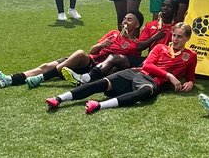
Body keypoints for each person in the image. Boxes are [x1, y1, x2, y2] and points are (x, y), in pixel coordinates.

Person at [45, 23, 197, 113]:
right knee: (101, 83)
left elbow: (190, 76)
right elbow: (147, 65)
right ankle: (58, 99)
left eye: (180, 37)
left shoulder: (191, 56)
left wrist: (190, 81)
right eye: (174, 35)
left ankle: (98, 106)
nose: (176, 39)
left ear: (188, 38)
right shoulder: (160, 48)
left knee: (143, 93)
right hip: (136, 73)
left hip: (152, 82)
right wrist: (170, 76)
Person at [0, 12, 144, 90]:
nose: (124, 21)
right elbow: (93, 50)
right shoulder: (113, 33)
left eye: (129, 19)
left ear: (137, 25)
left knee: (80, 53)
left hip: (96, 69)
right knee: (46, 65)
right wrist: (103, 44)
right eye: (124, 19)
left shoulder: (134, 46)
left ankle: (41, 79)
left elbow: (123, 65)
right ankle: (8, 79)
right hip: (88, 60)